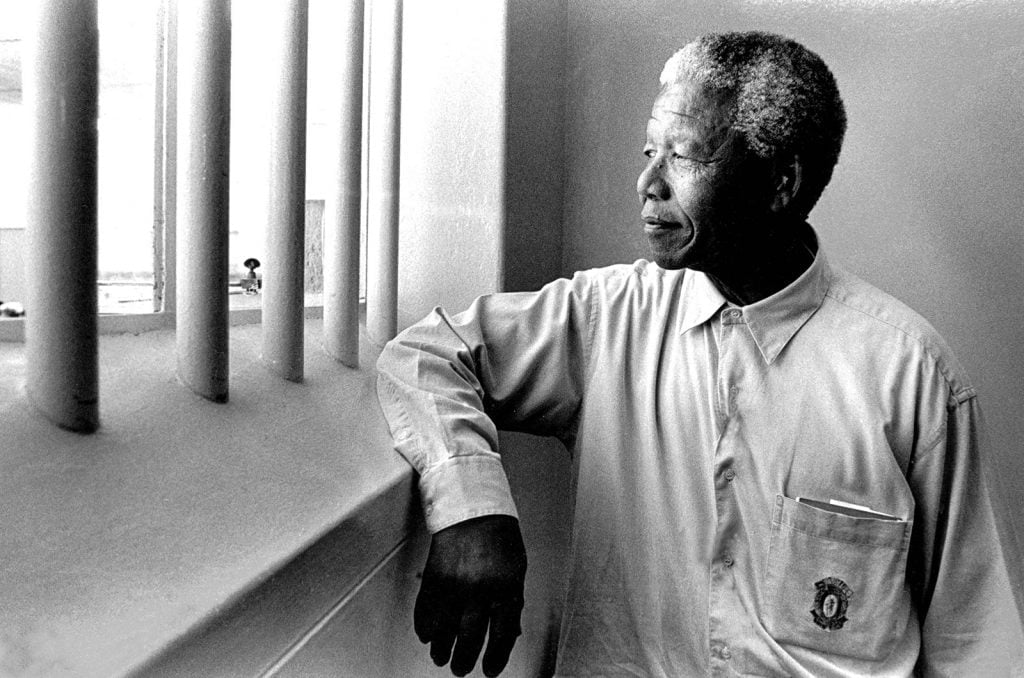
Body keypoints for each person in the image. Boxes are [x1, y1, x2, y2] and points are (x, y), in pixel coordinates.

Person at [376, 30, 1023, 677]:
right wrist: (473, 508)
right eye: (649, 151)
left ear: (780, 183)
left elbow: (978, 647)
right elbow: (427, 355)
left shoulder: (911, 376)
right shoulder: (606, 319)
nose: (647, 183)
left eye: (683, 157)